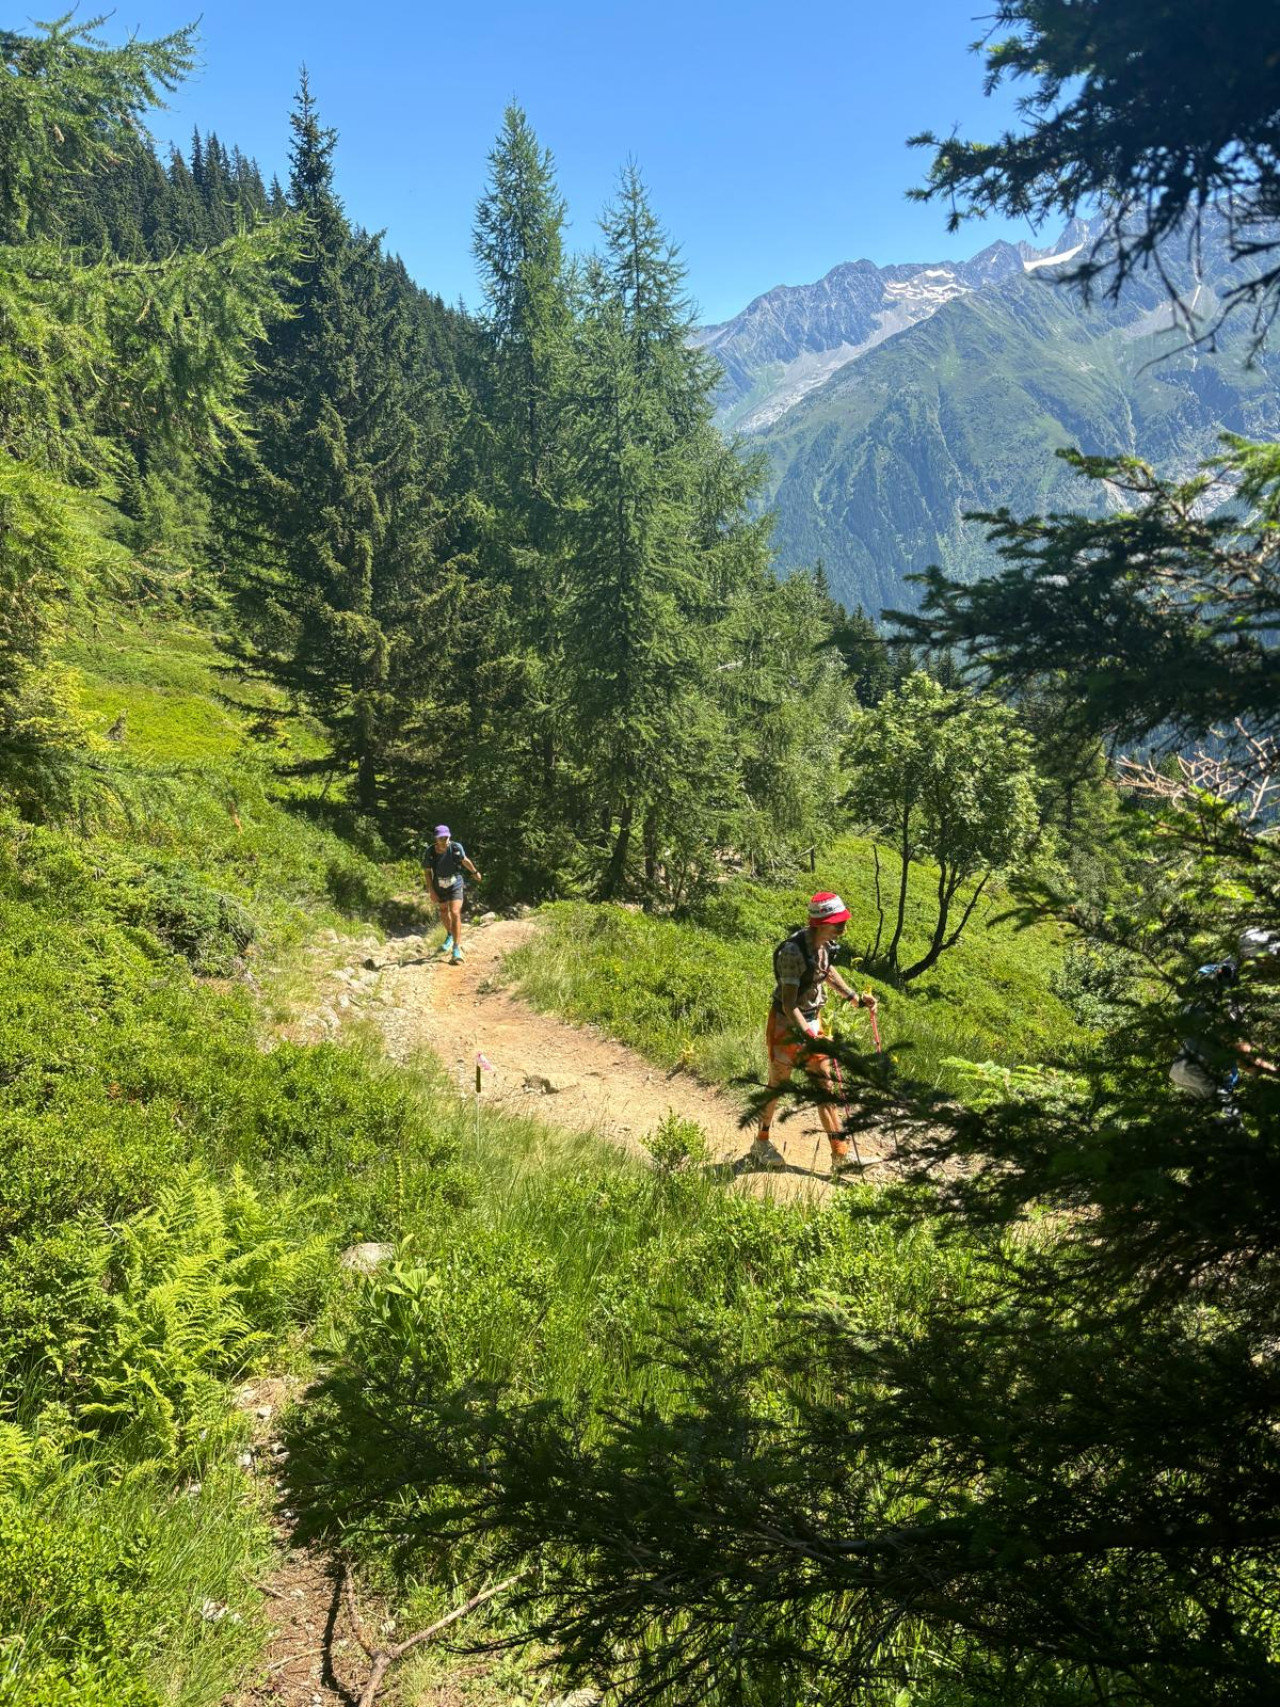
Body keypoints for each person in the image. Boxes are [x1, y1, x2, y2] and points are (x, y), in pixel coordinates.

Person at [738, 891, 878, 1177]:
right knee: (779, 1083)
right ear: (818, 923)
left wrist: (853, 997)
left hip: (812, 1022)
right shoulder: (793, 952)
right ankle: (760, 1144)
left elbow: (826, 971)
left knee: (824, 1087)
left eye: (842, 921)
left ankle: (840, 1157)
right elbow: (789, 1005)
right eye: (835, 923)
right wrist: (809, 1035)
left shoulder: (823, 945)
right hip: (787, 1026)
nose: (842, 928)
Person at [425, 825, 481, 965]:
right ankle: (450, 935)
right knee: (444, 911)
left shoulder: (456, 847)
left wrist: (475, 872)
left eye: (447, 837)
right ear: (436, 839)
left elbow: (465, 860)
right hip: (439, 884)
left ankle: (456, 949)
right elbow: (427, 872)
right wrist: (431, 891)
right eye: (441, 838)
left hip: (455, 882)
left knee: (455, 912)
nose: (445, 840)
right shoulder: (430, 852)